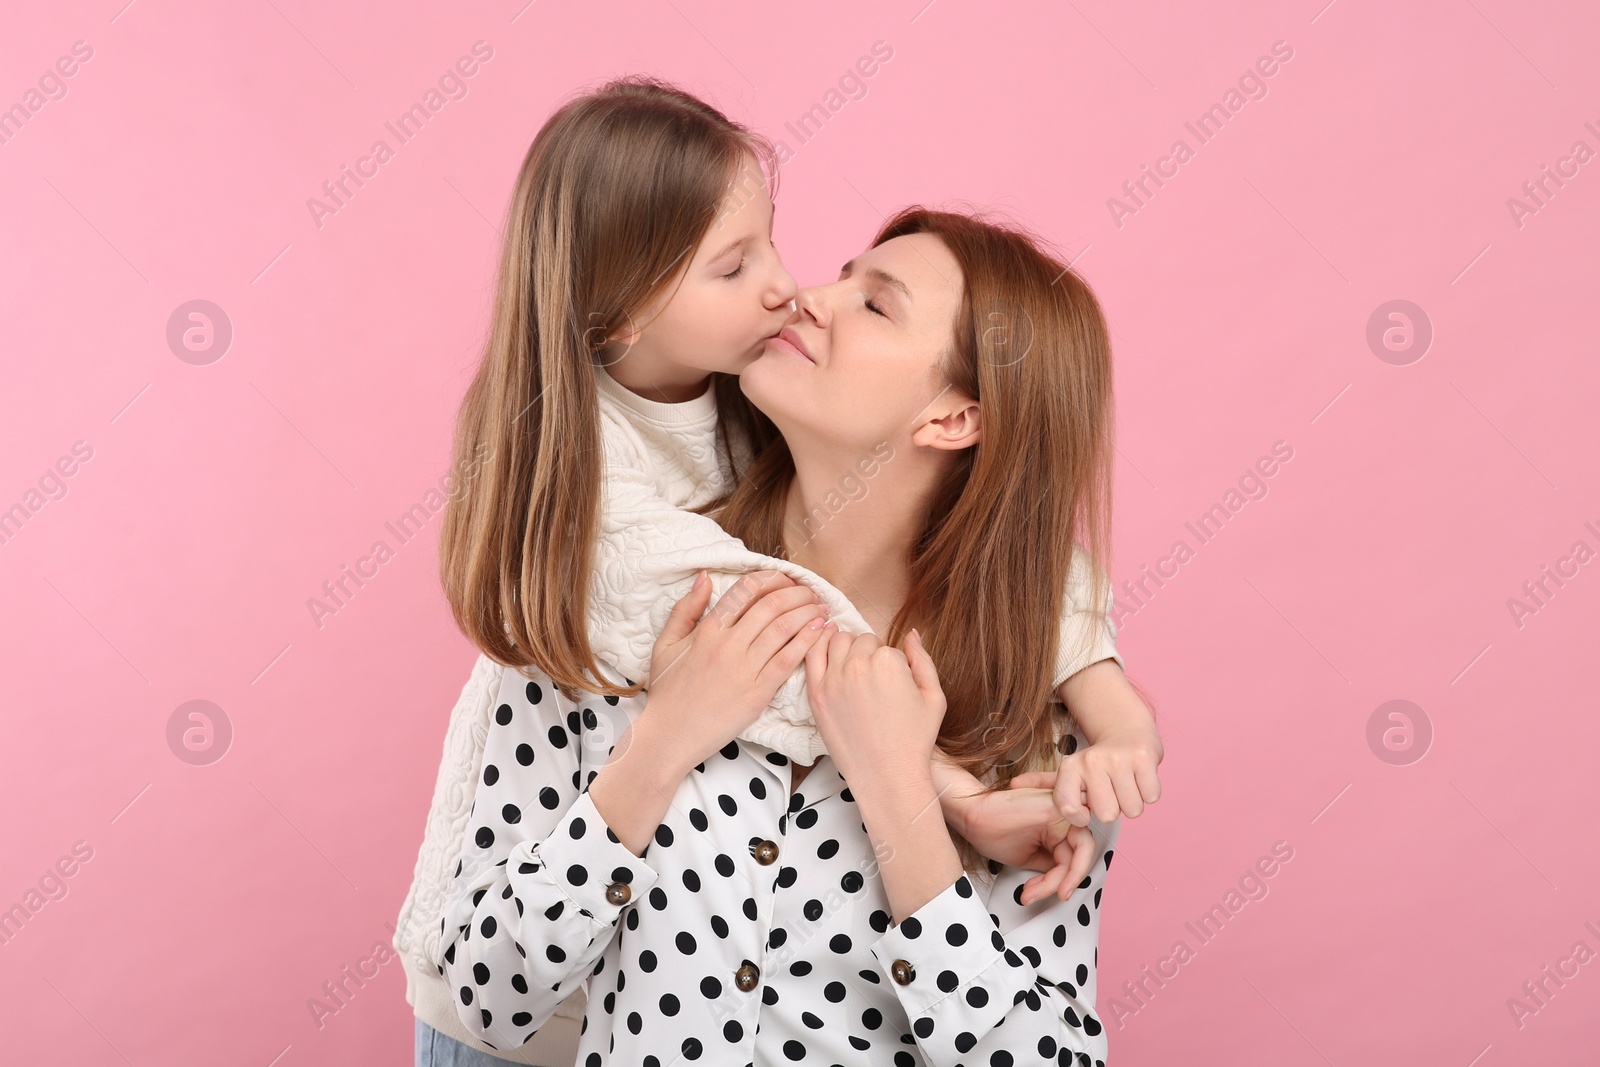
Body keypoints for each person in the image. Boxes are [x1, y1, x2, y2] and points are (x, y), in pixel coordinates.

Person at [395, 75, 1163, 1065]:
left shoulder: (1037, 720)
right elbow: (485, 999)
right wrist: (659, 744)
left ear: (954, 417)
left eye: (875, 304)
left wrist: (906, 799)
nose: (805, 293)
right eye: (841, 271)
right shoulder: (617, 598)